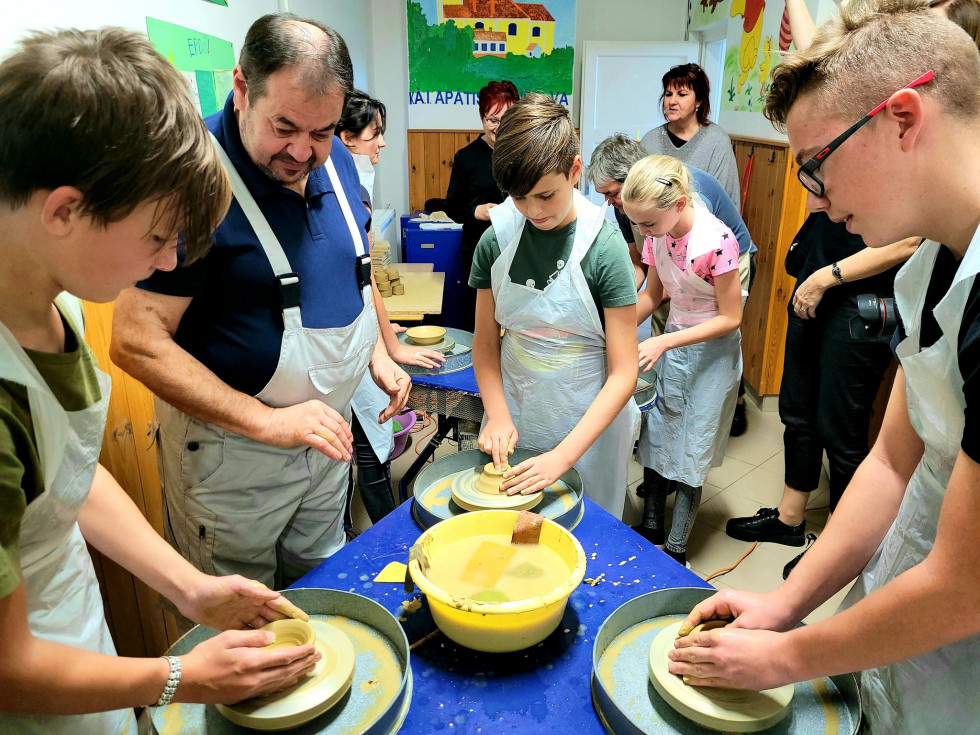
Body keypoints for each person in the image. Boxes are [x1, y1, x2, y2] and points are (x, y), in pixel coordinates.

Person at [666, 3, 980, 733]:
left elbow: (964, 586)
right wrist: (785, 604)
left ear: (903, 119)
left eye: (816, 164)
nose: (811, 193)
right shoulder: (931, 259)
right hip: (901, 602)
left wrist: (784, 658)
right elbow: (891, 463)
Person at [0, 28, 319, 734]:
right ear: (64, 210)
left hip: (81, 652)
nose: (171, 258)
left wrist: (192, 586)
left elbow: (66, 479)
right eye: (157, 237)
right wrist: (177, 675)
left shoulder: (43, 297)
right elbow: (8, 664)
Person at [111, 14, 411, 590]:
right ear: (242, 87)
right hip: (233, 462)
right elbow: (135, 341)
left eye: (321, 132)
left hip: (326, 443)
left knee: (324, 585)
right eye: (285, 127)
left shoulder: (338, 160)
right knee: (244, 619)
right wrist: (265, 422)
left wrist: (373, 353)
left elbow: (354, 272)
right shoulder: (189, 177)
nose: (302, 151)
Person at [469, 94, 640, 517]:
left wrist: (563, 457)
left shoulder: (604, 247)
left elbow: (624, 372)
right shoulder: (497, 240)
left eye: (546, 195)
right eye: (519, 197)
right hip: (518, 409)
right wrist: (497, 415)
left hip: (588, 423)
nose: (532, 211)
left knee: (581, 534)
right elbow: (486, 347)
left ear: (575, 171)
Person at [590, 133, 758, 437]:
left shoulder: (695, 217)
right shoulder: (641, 215)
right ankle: (670, 424)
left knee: (705, 357)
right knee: (668, 342)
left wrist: (658, 336)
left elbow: (714, 309)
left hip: (721, 268)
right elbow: (644, 268)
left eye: (612, 192)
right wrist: (618, 317)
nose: (609, 201)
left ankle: (723, 407)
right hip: (680, 269)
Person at [622, 155, 744, 566]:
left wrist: (664, 344)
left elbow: (731, 317)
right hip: (674, 340)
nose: (643, 234)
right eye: (637, 224)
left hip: (711, 350)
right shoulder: (658, 233)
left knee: (693, 447)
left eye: (648, 224)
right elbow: (653, 295)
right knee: (657, 435)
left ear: (677, 205)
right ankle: (652, 526)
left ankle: (675, 550)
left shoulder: (717, 240)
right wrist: (616, 333)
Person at [336, 90, 444, 525]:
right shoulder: (344, 194)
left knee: (367, 444)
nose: (381, 144)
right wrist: (390, 346)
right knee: (367, 448)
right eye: (373, 134)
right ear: (345, 138)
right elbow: (362, 282)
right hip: (343, 346)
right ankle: (389, 538)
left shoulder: (356, 187)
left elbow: (367, 282)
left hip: (360, 337)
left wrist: (385, 331)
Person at [445, 80, 519, 332]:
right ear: (482, 118)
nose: (499, 127)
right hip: (479, 246)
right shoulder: (467, 157)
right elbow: (452, 207)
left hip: (520, 246)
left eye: (507, 119)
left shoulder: (523, 153)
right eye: (492, 119)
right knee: (482, 318)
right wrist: (476, 211)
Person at [640, 64, 741, 208]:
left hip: (705, 227)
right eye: (668, 94)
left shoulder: (716, 140)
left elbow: (727, 201)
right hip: (655, 228)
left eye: (681, 94)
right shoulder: (650, 140)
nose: (672, 101)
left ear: (699, 100)